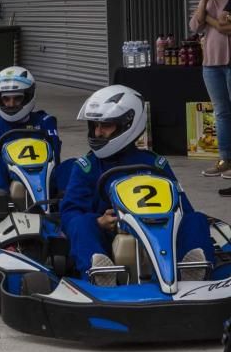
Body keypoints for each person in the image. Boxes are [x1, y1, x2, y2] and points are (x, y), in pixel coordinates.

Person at [61, 85, 212, 286]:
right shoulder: (86, 167)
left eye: (105, 126)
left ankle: (192, 273)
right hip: (111, 235)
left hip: (160, 230)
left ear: (127, 125)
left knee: (196, 220)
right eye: (95, 126)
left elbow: (183, 208)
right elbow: (69, 213)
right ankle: (100, 274)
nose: (98, 133)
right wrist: (98, 222)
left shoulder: (155, 164)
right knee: (81, 224)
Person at [0, 67, 62, 191]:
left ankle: (72, 207)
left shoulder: (45, 121)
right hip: (8, 182)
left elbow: (54, 157)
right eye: (6, 99)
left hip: (43, 178)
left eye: (17, 98)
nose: (11, 104)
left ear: (29, 96)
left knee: (72, 165)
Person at [189, 0, 231, 182]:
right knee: (222, 113)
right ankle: (225, 159)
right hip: (211, 65)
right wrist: (204, 1)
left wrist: (210, 19)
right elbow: (195, 25)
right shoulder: (207, 0)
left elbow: (226, 28)